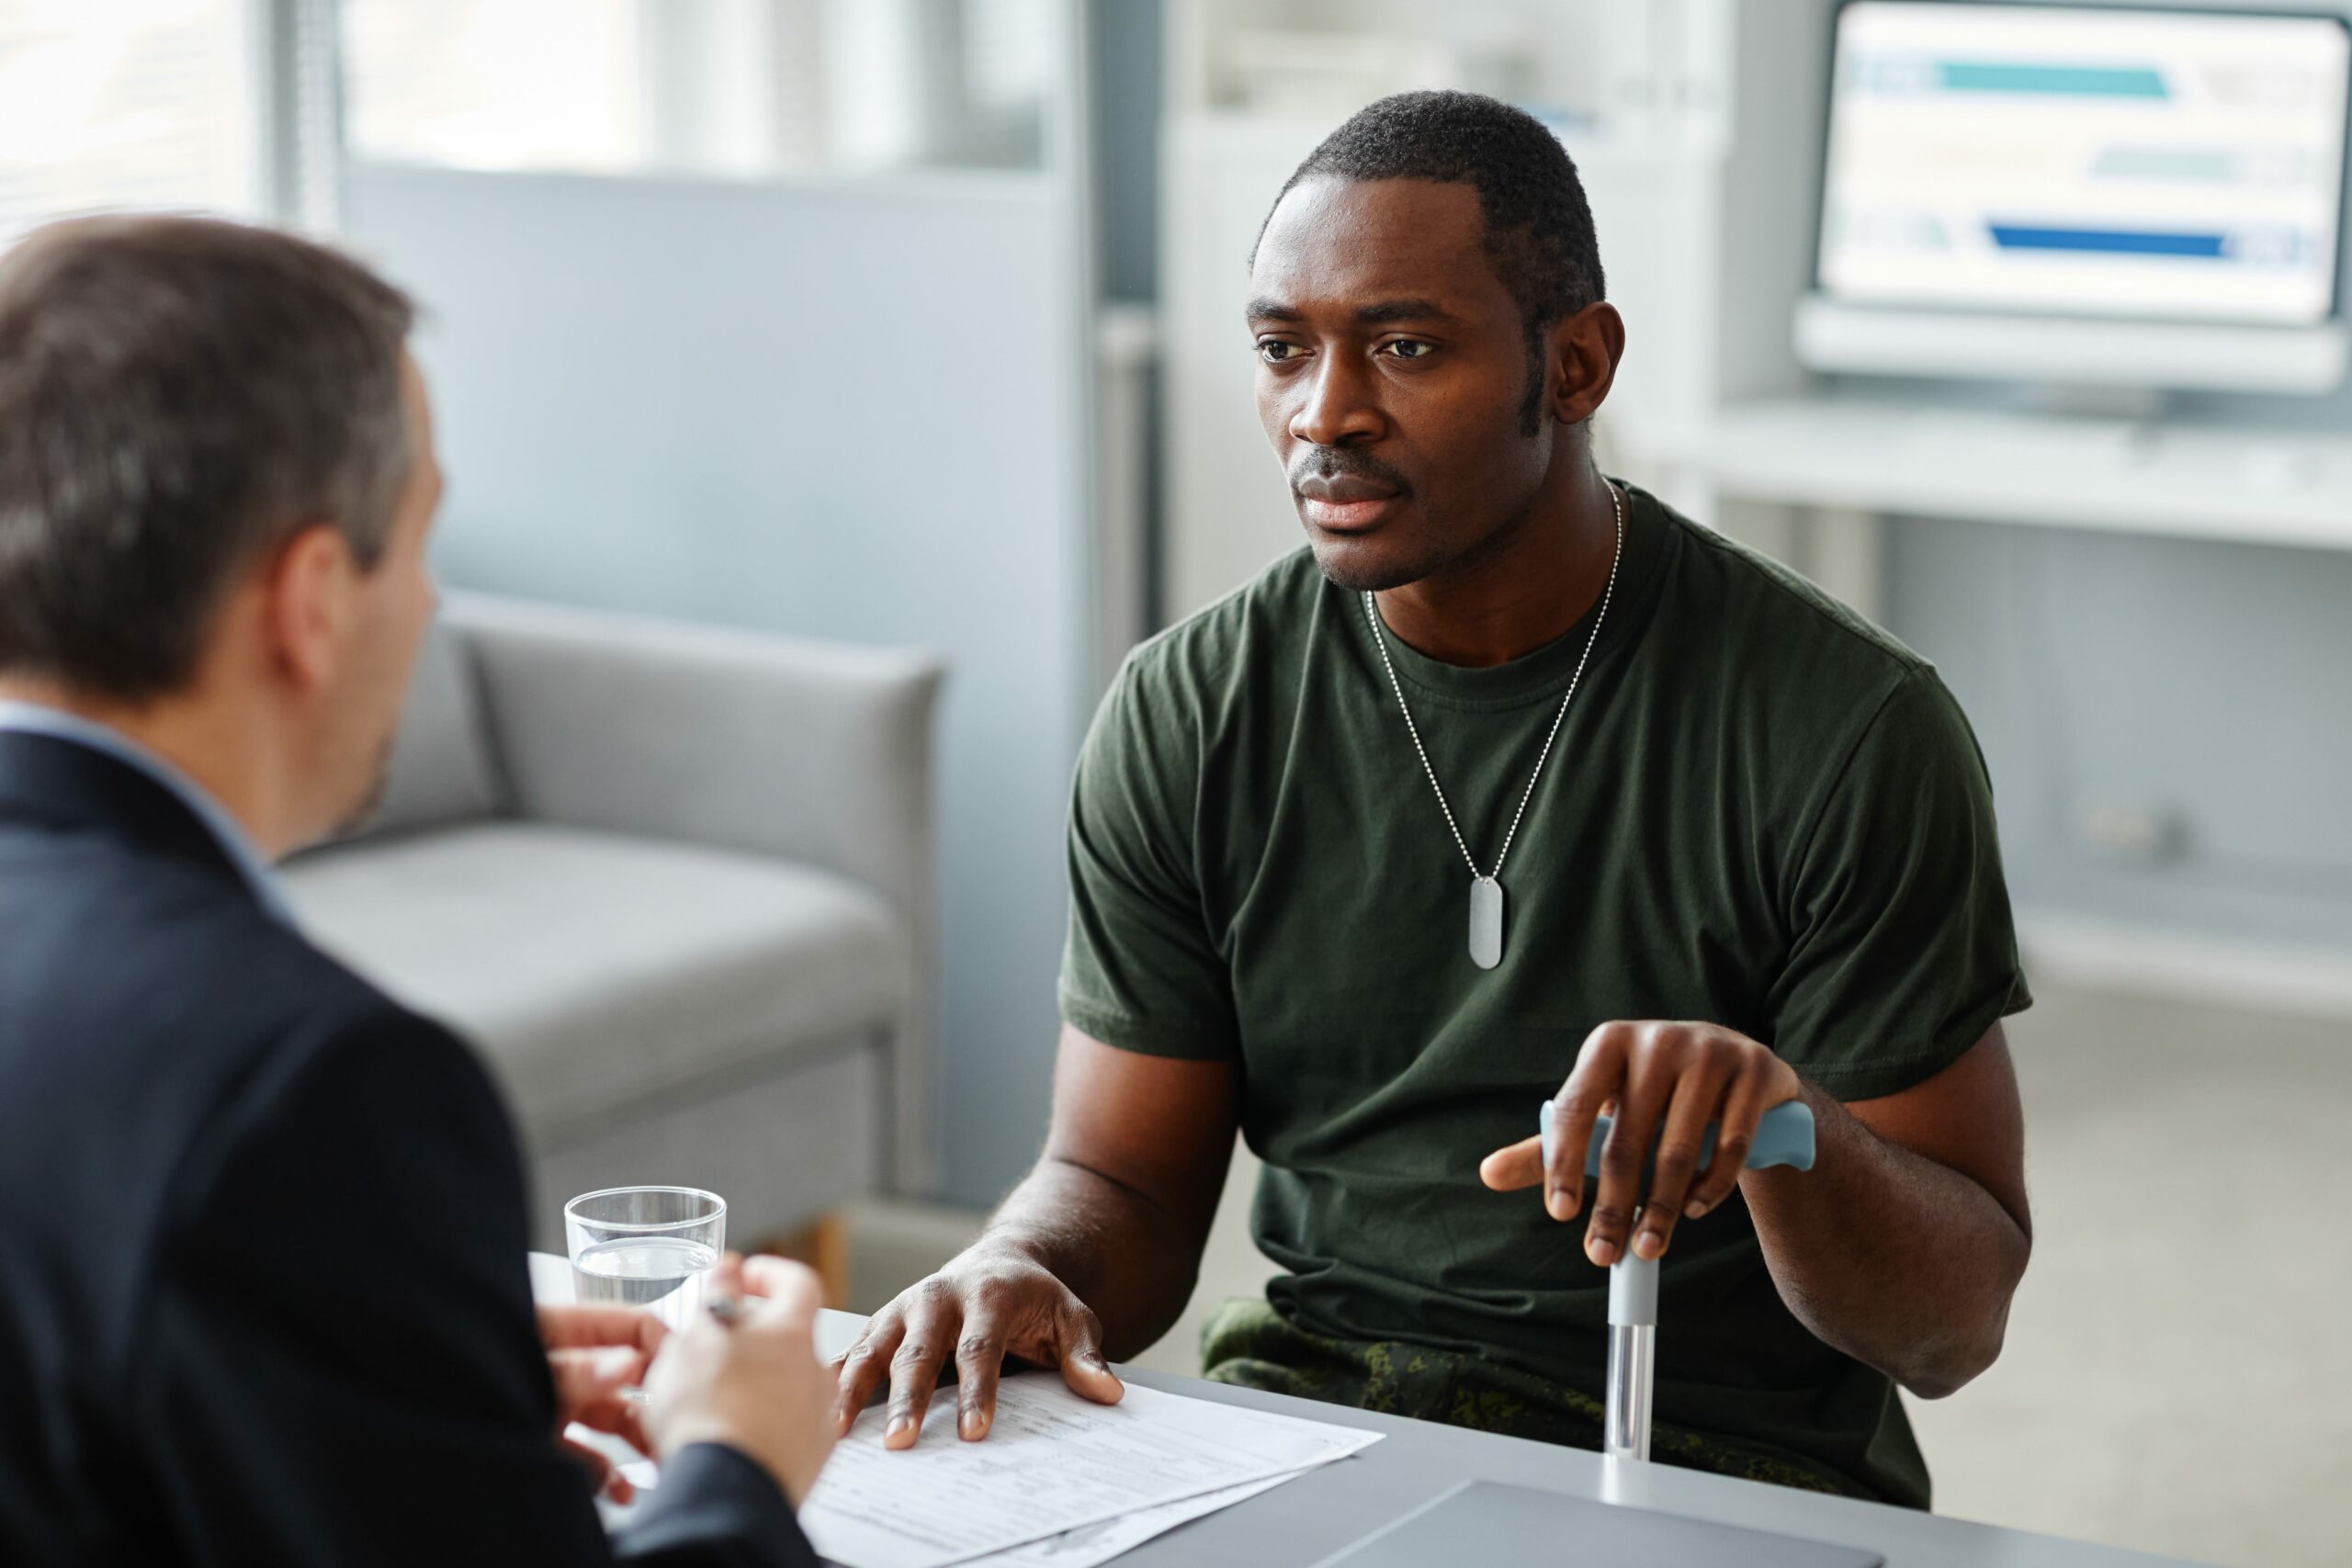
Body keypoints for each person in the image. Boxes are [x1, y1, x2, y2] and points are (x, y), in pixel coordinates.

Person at [833, 91, 2032, 1509]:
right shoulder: (1190, 710)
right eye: (1284, 350)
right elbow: (1124, 1187)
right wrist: (1017, 1262)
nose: (1322, 413)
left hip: (1716, 1459)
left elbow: (1948, 1328)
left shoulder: (1843, 726)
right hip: (1314, 1422)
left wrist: (1783, 1125)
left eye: (1403, 347)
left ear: (1574, 365)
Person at [0, 215, 834, 1564]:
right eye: (422, 543)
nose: (433, 606)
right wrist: (737, 1457)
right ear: (314, 598)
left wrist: (412, 1396)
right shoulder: (308, 1086)